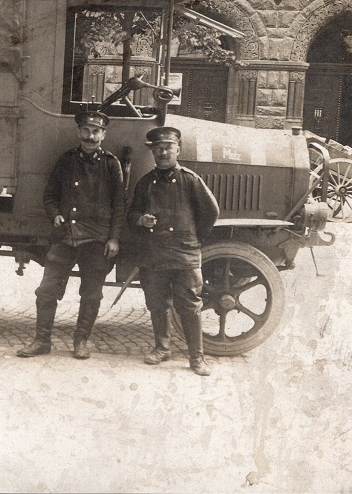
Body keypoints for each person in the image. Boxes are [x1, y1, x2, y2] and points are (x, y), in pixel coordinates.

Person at [17, 110, 125, 360]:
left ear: (103, 134)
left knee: (91, 294)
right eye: (86, 131)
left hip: (97, 239)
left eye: (96, 131)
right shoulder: (67, 160)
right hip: (66, 236)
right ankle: (42, 340)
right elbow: (49, 195)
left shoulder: (111, 164)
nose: (90, 136)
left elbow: (120, 204)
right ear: (79, 133)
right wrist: (54, 213)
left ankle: (81, 341)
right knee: (46, 291)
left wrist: (114, 238)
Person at [127, 126, 219, 376]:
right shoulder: (145, 182)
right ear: (153, 152)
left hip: (184, 256)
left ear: (178, 150)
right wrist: (140, 220)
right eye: (158, 148)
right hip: (154, 254)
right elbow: (131, 213)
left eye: (168, 147)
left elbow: (211, 212)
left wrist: (192, 238)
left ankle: (196, 358)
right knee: (157, 304)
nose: (163, 152)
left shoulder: (190, 180)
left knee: (190, 306)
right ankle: (162, 348)